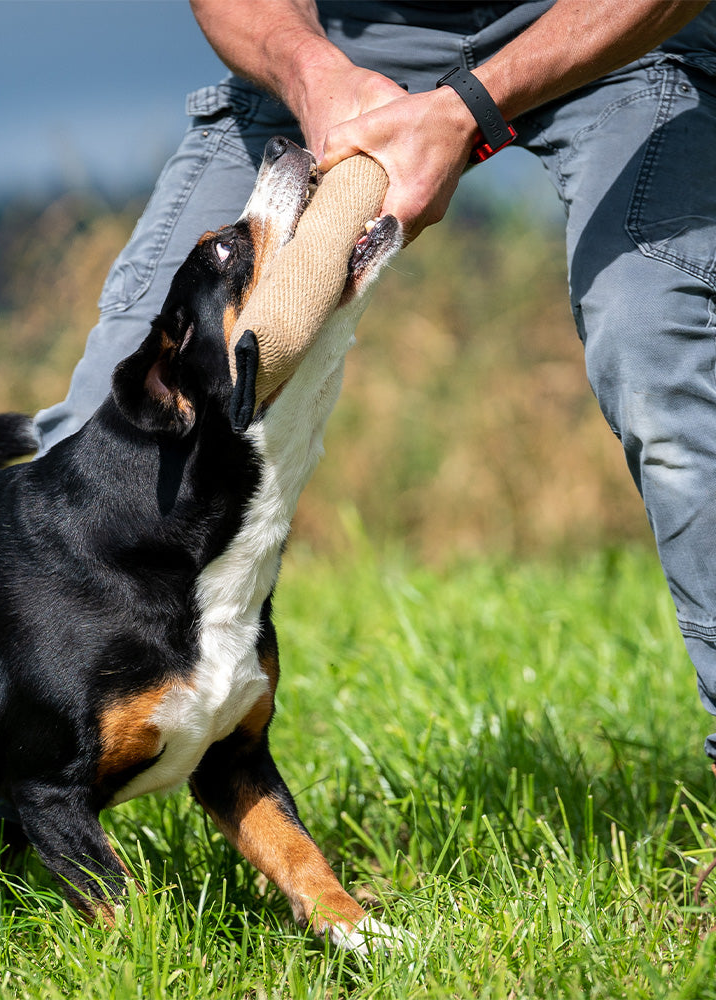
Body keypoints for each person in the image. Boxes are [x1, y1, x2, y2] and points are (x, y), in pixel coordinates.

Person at [35, 2, 716, 756]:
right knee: (103, 421)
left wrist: (470, 110)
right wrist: (312, 72)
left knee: (662, 362)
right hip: (340, 45)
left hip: (618, 33)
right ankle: (22, 775)